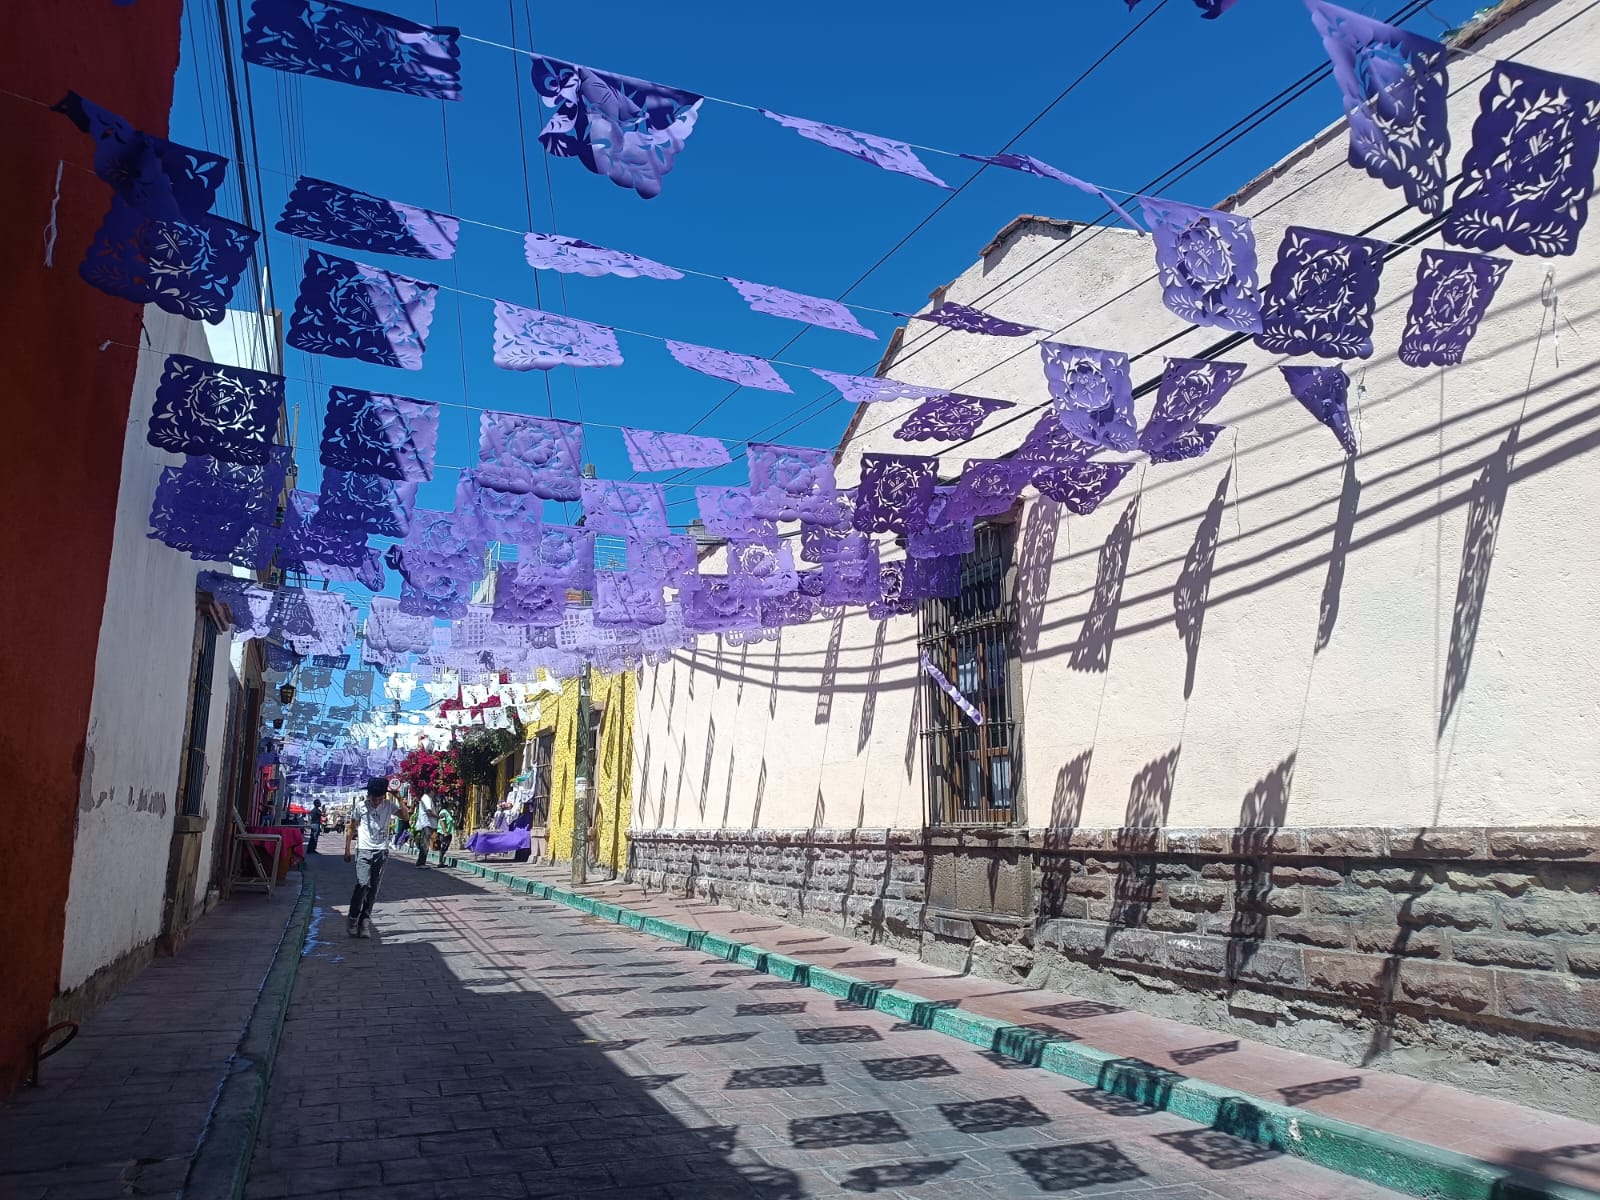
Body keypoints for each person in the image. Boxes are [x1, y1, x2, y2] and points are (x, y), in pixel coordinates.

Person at [344, 776, 412, 939]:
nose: (376, 801)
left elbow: (406, 816)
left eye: (379, 798)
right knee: (362, 884)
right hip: (364, 849)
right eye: (373, 798)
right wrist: (347, 849)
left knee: (373, 887)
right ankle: (353, 917)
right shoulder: (361, 807)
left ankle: (365, 920)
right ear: (369, 795)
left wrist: (398, 797)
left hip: (381, 851)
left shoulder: (389, 805)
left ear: (384, 796)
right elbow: (351, 828)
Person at [413, 790, 440, 868]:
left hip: (427, 823)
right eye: (434, 792)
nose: (435, 793)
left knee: (425, 843)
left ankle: (421, 862)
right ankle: (421, 863)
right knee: (425, 843)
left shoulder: (426, 798)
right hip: (427, 823)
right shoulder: (426, 798)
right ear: (431, 791)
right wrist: (437, 817)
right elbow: (429, 811)